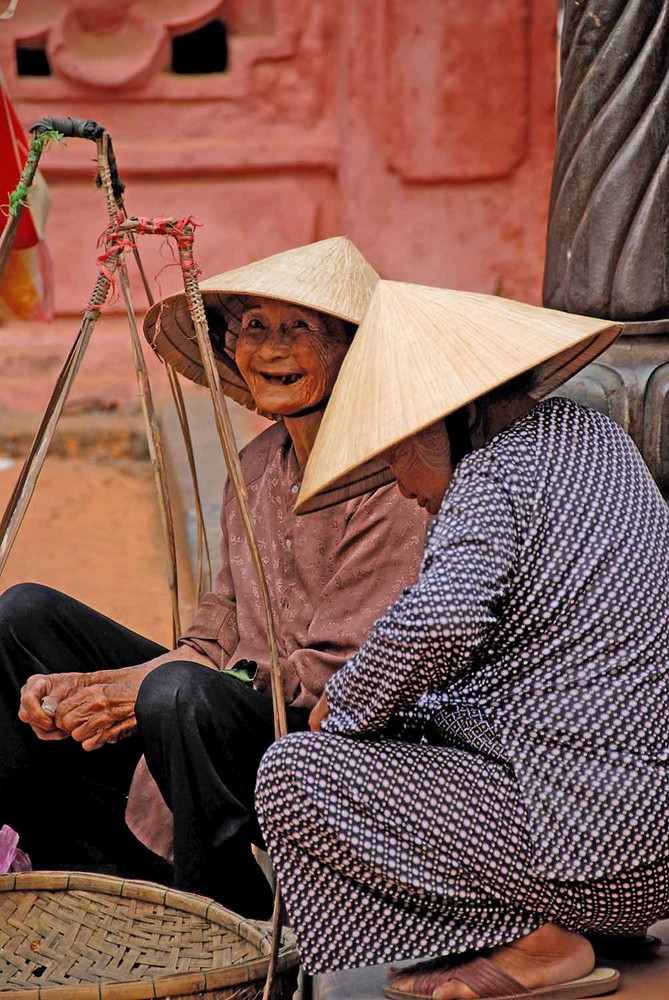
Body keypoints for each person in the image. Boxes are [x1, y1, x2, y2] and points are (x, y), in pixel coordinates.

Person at [257, 279, 669, 998]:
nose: (398, 481)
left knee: (294, 774)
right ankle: (567, 923)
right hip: (645, 845)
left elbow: (441, 621)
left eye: (392, 454)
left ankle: (538, 941)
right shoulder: (593, 435)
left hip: (602, 849)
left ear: (439, 422)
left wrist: (346, 705)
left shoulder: (489, 474)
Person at [0, 242, 427, 920]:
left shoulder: (400, 479)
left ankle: (227, 910)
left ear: (351, 349)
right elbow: (219, 628)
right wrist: (99, 687)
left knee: (178, 695)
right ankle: (72, 871)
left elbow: (333, 678)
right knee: (21, 615)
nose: (269, 349)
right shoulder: (258, 466)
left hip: (334, 749)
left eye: (297, 329)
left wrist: (135, 690)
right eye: (253, 327)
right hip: (220, 712)